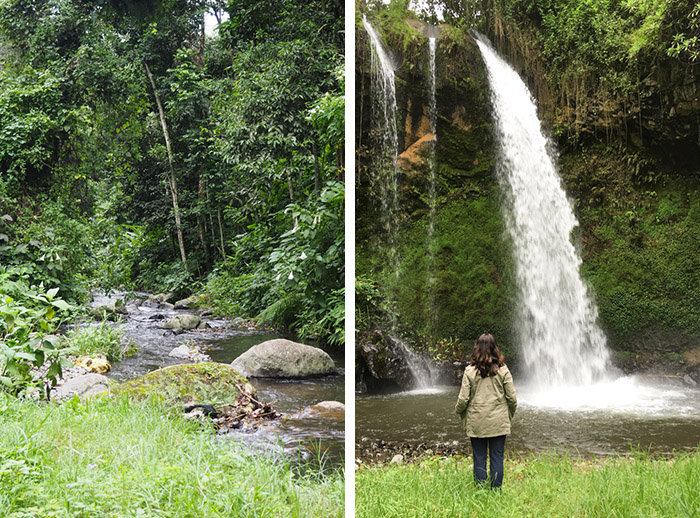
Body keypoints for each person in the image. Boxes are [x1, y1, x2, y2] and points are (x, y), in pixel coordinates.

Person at [455, 333, 517, 489]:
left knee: (479, 457)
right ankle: (496, 491)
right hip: (498, 421)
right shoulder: (503, 370)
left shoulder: (469, 371)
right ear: (495, 348)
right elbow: (512, 399)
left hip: (477, 421)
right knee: (497, 457)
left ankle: (481, 491)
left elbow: (463, 400)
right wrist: (507, 416)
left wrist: (459, 412)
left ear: (477, 348)